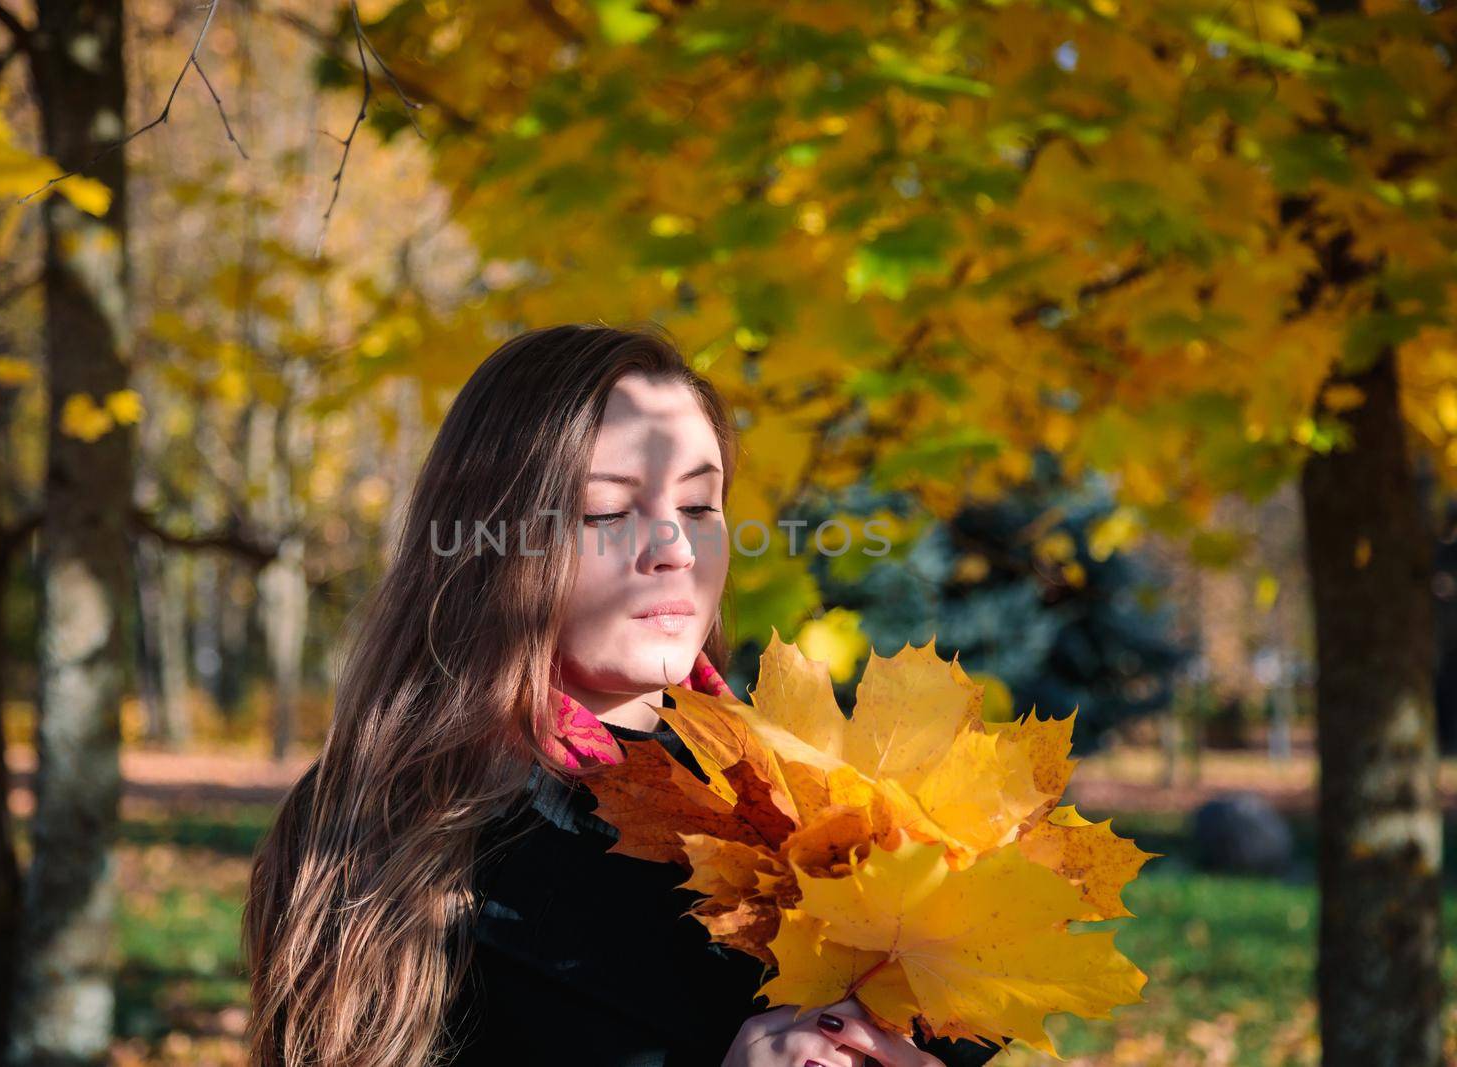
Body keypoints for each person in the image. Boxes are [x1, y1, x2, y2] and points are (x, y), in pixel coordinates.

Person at [242, 324, 1009, 1066]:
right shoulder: (376, 831)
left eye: (701, 506)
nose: (673, 548)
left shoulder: (831, 817)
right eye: (607, 510)